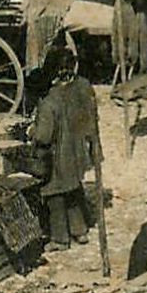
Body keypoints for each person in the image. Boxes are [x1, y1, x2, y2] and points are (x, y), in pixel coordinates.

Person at [30, 47, 100, 248]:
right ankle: (80, 230)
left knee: (55, 194)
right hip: (75, 150)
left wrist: (31, 132)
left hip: (58, 156)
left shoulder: (47, 103)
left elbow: (44, 136)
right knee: (73, 190)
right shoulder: (76, 90)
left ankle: (60, 238)